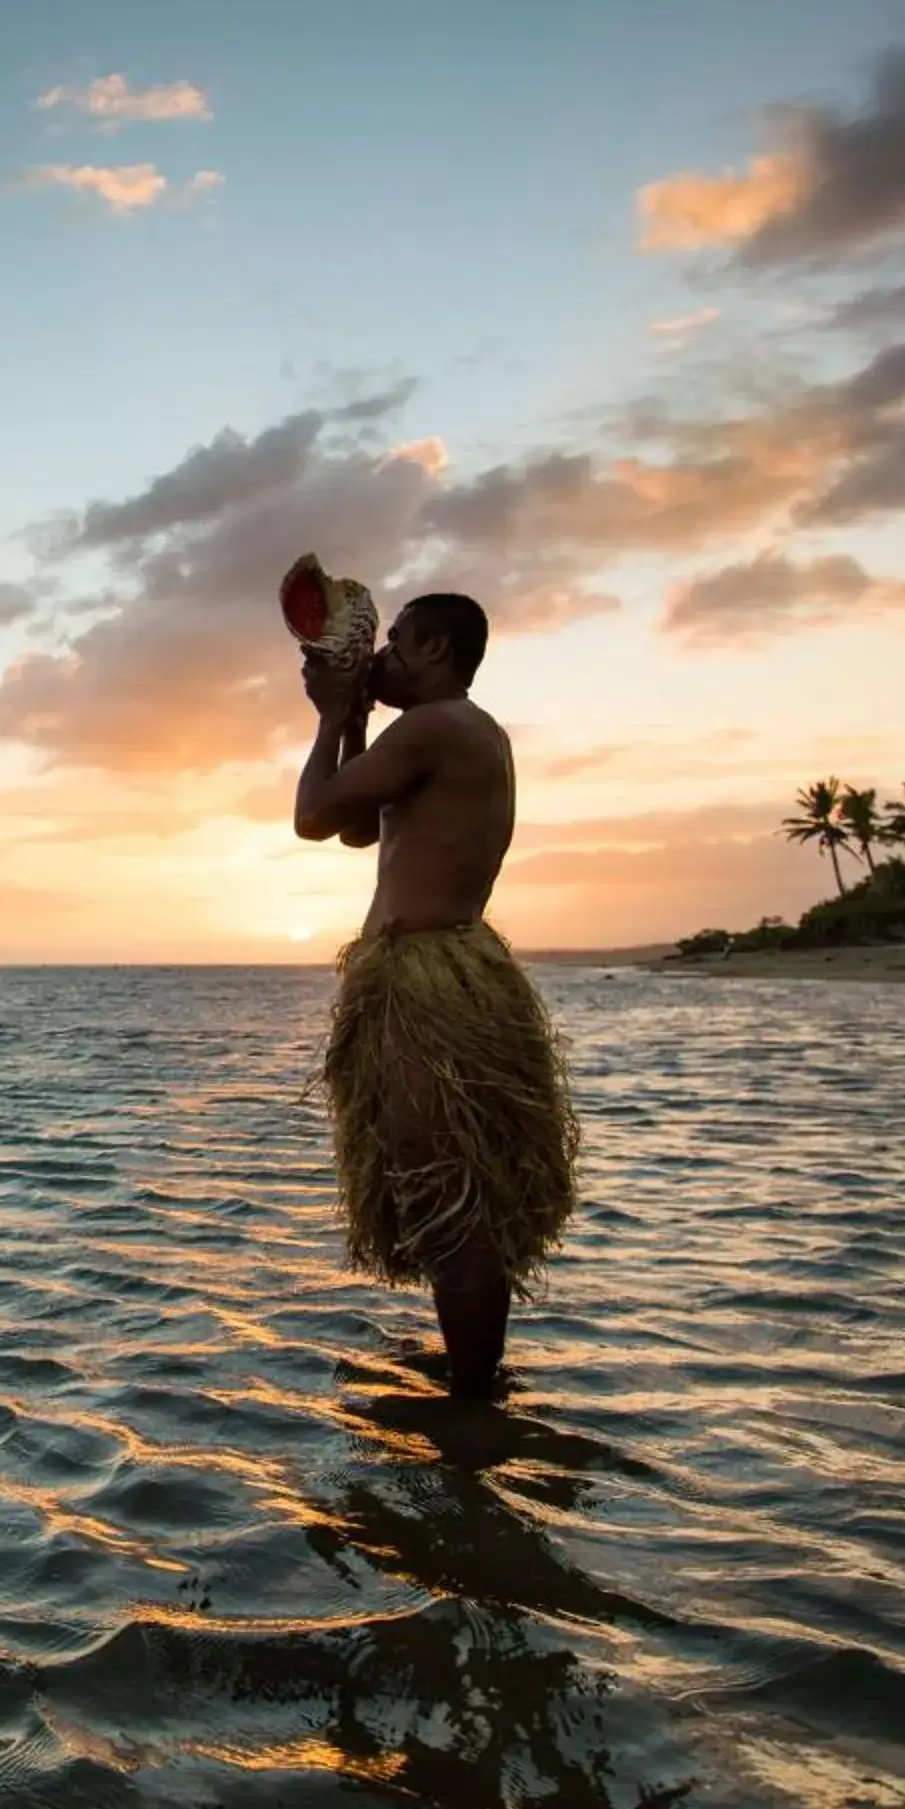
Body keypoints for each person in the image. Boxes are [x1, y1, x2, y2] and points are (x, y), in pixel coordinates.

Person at [291, 592, 578, 1397]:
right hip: (438, 972)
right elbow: (357, 829)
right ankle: (473, 1377)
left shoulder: (438, 725)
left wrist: (326, 716)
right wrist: (354, 717)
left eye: (394, 646)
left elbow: (313, 816)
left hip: (429, 989)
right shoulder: (450, 732)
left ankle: (472, 1403)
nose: (380, 658)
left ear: (437, 649)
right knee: (445, 1186)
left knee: (450, 1194)